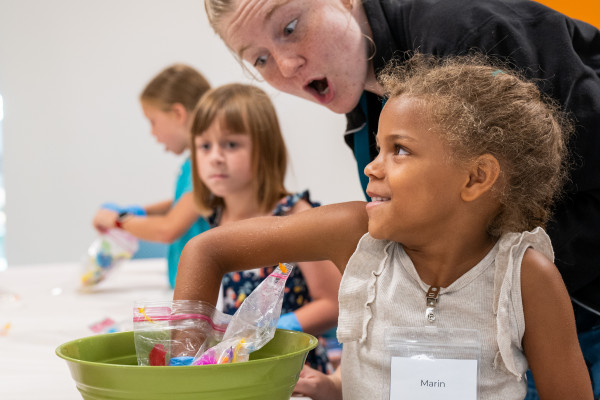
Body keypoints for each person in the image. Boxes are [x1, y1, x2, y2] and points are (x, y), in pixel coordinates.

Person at [203, 0, 600, 396]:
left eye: (290, 28)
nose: (286, 66)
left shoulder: (462, 36)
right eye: (259, 59)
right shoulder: (369, 99)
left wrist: (525, 300)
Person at [188, 82, 341, 372]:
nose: (215, 157)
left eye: (231, 144)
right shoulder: (215, 220)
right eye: (204, 146)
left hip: (295, 367)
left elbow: (333, 303)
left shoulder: (295, 215)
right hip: (242, 366)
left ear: (265, 149)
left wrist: (282, 328)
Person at [93, 64, 211, 288]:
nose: (152, 132)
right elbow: (184, 204)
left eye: (153, 121)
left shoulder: (208, 165)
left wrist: (118, 221)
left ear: (178, 114)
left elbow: (168, 228)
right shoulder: (192, 163)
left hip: (202, 293)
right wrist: (138, 212)